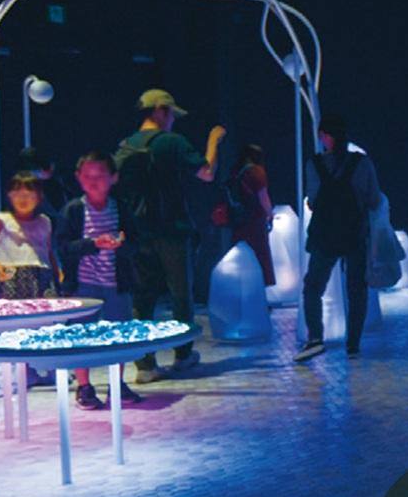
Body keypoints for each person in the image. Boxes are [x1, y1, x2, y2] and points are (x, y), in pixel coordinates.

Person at [115, 89, 226, 384]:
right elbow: (206, 173)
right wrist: (213, 140)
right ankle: (182, 355)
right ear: (160, 110)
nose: (173, 120)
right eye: (172, 114)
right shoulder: (171, 142)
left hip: (138, 231)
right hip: (173, 230)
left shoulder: (125, 145)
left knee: (143, 299)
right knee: (181, 295)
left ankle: (145, 365)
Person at [56, 151, 144, 409]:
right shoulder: (74, 210)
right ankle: (84, 386)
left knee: (120, 334)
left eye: (100, 176)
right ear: (78, 178)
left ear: (113, 178)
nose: (94, 182)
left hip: (116, 282)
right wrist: (93, 244)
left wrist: (122, 245)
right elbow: (63, 247)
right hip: (83, 284)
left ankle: (117, 384)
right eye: (88, 176)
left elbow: (136, 242)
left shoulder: (121, 207)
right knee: (81, 335)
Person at [295, 114, 382, 362]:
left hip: (325, 235)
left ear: (324, 136)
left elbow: (312, 200)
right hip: (355, 233)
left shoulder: (315, 164)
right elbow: (374, 199)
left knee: (313, 287)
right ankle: (353, 344)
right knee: (356, 290)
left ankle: (315, 338)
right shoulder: (362, 163)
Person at [0, 172, 56, 300]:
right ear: (10, 196)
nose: (23, 199)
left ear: (39, 197)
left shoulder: (44, 221)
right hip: (10, 277)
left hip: (40, 276)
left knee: (42, 310)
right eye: (17, 194)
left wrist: (57, 272)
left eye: (29, 195)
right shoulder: (2, 220)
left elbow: (48, 250)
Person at [227, 144, 275, 286]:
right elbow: (263, 196)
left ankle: (241, 287)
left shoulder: (236, 171)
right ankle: (260, 288)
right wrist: (270, 214)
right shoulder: (257, 171)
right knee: (260, 255)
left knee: (241, 254)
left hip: (239, 220)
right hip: (255, 220)